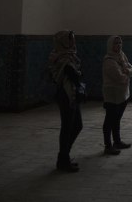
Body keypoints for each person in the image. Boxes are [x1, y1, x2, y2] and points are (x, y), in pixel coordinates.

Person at [48, 30, 84, 172]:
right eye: (71, 40)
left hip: (71, 94)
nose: (73, 42)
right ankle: (63, 159)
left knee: (76, 125)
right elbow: (74, 75)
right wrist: (78, 74)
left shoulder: (69, 56)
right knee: (68, 126)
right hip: (65, 95)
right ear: (63, 41)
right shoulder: (61, 57)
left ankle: (64, 157)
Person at [102, 35, 132, 155]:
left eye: (120, 43)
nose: (118, 45)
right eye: (116, 43)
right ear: (111, 45)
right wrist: (127, 73)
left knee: (116, 119)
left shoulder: (122, 56)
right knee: (109, 120)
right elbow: (119, 77)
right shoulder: (109, 61)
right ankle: (108, 145)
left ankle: (117, 141)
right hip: (112, 94)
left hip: (122, 94)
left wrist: (127, 72)